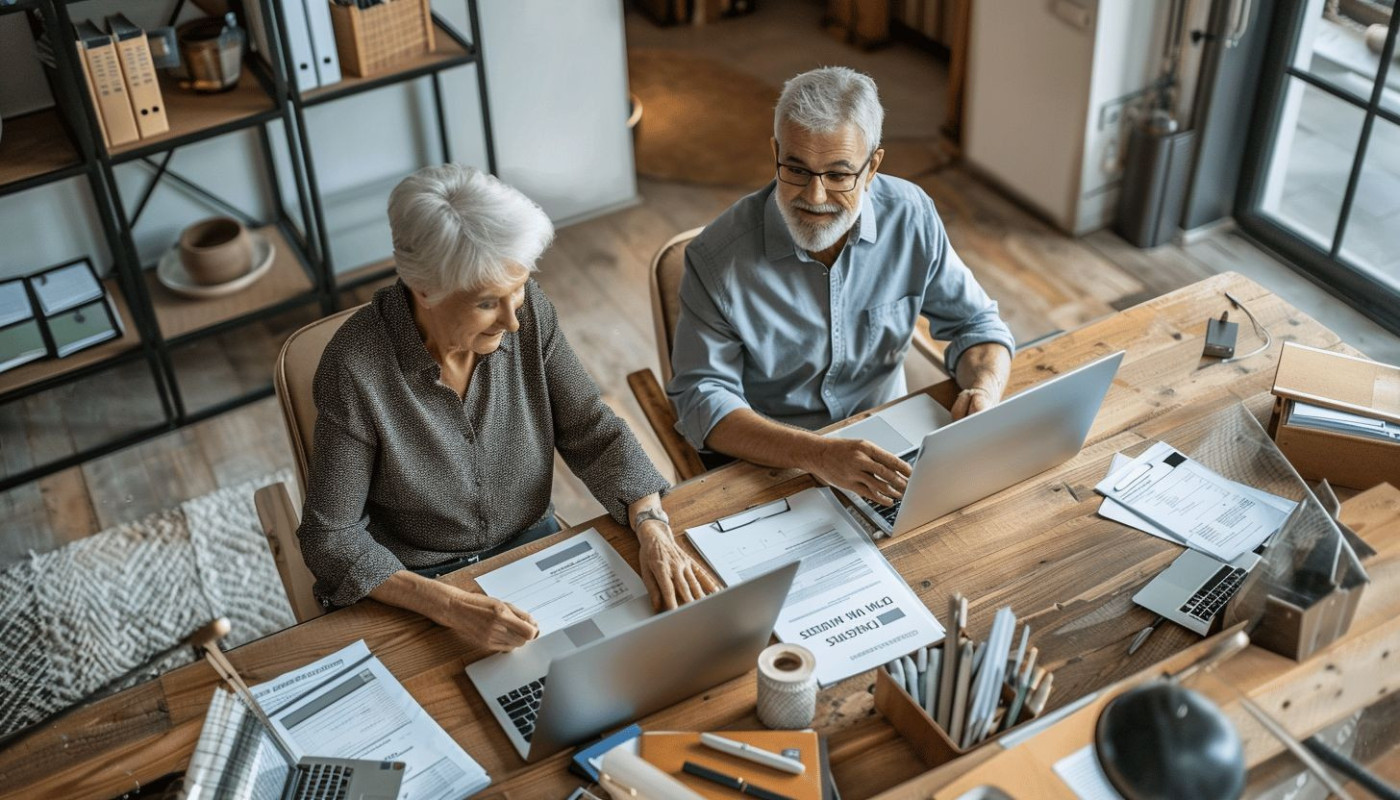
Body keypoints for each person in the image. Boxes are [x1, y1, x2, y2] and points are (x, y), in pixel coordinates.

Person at [297, 164, 717, 652]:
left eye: (518, 288)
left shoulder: (530, 311)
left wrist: (651, 525)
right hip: (420, 584)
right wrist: (450, 605)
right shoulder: (355, 367)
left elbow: (592, 430)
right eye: (487, 303)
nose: (514, 322)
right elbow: (330, 538)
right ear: (423, 288)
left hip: (532, 550)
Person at [668, 66, 1015, 507]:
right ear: (775, 152)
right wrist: (818, 454)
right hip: (773, 462)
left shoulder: (912, 216)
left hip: (893, 442)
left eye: (838, 174)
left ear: (872, 167)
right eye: (796, 169)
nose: (814, 197)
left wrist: (984, 390)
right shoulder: (715, 257)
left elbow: (977, 325)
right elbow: (702, 401)